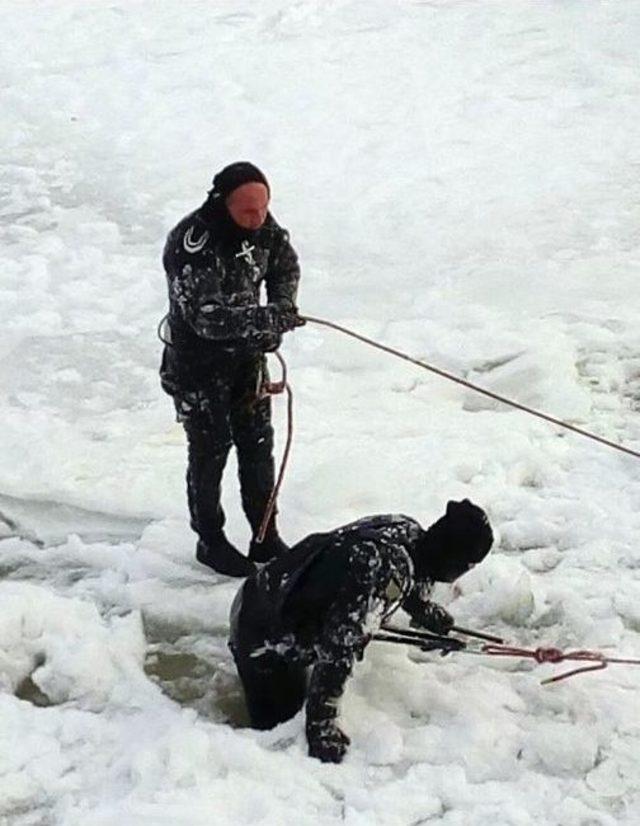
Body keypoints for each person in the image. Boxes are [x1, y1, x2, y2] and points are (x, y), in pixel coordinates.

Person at [229, 498, 494, 763]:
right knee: (278, 738)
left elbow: (413, 573)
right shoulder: (378, 567)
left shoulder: (406, 530)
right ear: (454, 559)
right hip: (263, 631)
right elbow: (338, 648)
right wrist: (322, 726)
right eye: (468, 566)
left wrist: (426, 612)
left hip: (270, 593)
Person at [160, 162, 303, 578]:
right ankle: (211, 540)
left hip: (247, 362)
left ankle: (264, 535)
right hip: (199, 367)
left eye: (263, 209)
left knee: (258, 447)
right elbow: (206, 318)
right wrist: (264, 320)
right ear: (223, 204)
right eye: (247, 212)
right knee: (210, 449)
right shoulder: (192, 243)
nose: (258, 220)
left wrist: (282, 307)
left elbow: (284, 265)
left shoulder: (263, 225)